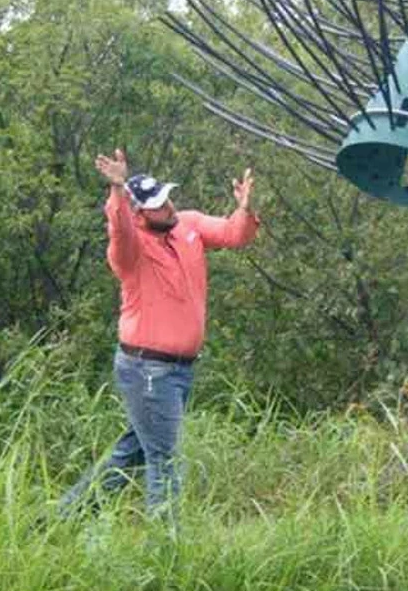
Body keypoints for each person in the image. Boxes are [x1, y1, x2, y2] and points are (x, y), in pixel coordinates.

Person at [60, 148, 260, 519]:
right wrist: (117, 190)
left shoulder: (188, 224)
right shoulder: (131, 249)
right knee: (163, 460)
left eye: (167, 199)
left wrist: (244, 209)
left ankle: (64, 517)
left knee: (134, 451)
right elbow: (118, 230)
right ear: (139, 214)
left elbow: (234, 233)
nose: (168, 208)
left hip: (179, 369)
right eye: (157, 205)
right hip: (148, 369)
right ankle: (166, 550)